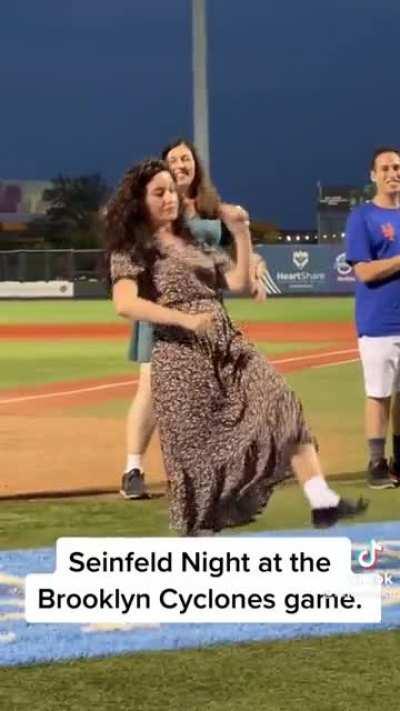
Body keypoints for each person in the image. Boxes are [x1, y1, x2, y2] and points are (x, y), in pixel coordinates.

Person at [106, 158, 367, 534]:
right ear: (139, 202)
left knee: (281, 402)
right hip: (181, 358)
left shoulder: (193, 240)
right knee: (198, 462)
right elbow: (124, 303)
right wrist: (186, 319)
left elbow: (239, 283)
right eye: (158, 193)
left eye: (171, 191)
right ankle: (200, 547)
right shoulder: (133, 247)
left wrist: (242, 234)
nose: (169, 199)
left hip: (228, 346)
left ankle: (322, 499)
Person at [121, 138, 266, 500]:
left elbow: (229, 258)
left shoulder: (213, 209)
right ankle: (133, 468)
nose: (181, 164)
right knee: (151, 391)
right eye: (173, 160)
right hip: (163, 309)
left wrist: (254, 259)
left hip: (205, 312)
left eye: (186, 158)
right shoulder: (155, 208)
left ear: (196, 164)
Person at [345, 146, 400, 489]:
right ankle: (376, 463)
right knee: (379, 394)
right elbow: (363, 271)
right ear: (373, 175)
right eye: (386, 168)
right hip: (379, 322)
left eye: (397, 167)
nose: (393, 173)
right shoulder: (362, 217)